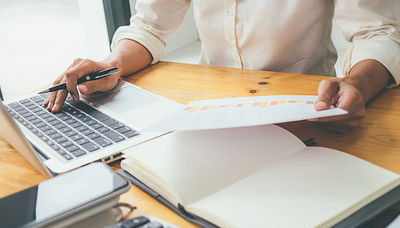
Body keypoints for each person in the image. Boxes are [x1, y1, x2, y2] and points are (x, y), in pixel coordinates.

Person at [44, 0, 400, 133]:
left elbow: (376, 31)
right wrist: (111, 65)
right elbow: (150, 26)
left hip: (306, 112)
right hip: (207, 113)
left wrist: (358, 82)